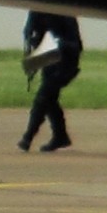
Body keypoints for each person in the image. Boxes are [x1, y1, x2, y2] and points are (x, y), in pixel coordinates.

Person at [19, 10, 84, 153]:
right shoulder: (36, 12)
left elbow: (75, 44)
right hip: (50, 61)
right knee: (49, 99)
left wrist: (57, 43)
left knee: (43, 97)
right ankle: (60, 136)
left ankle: (28, 137)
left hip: (67, 62)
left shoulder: (62, 12)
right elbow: (33, 35)